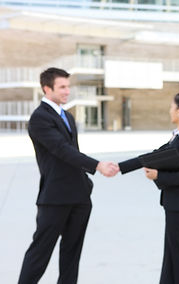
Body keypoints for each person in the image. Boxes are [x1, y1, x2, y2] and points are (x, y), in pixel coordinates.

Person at [18, 67, 119, 284]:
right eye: (62, 87)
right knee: (39, 254)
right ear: (47, 89)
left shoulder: (67, 117)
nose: (67, 91)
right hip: (55, 197)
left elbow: (73, 152)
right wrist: (98, 165)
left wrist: (86, 182)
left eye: (68, 86)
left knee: (71, 256)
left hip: (79, 196)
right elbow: (62, 150)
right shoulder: (39, 118)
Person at [118, 91, 179, 284]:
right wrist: (120, 167)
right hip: (176, 205)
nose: (170, 111)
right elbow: (154, 156)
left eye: (171, 107)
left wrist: (160, 175)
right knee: (172, 253)